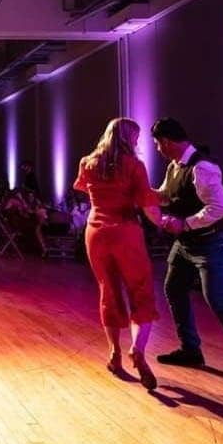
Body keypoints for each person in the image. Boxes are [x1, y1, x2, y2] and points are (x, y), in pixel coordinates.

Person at [152, 117, 223, 393]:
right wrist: (141, 192)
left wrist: (184, 223)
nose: (157, 149)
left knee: (219, 302)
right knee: (174, 288)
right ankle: (190, 350)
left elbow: (221, 207)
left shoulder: (202, 167)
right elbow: (167, 196)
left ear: (166, 141)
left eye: (157, 143)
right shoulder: (175, 166)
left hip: (214, 244)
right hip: (187, 244)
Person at [73, 118, 161, 390]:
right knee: (140, 290)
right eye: (136, 138)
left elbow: (82, 188)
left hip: (96, 232)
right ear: (129, 138)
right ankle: (138, 350)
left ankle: (114, 353)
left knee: (108, 291)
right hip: (126, 231)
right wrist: (166, 223)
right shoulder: (134, 165)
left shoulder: (87, 162)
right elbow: (146, 204)